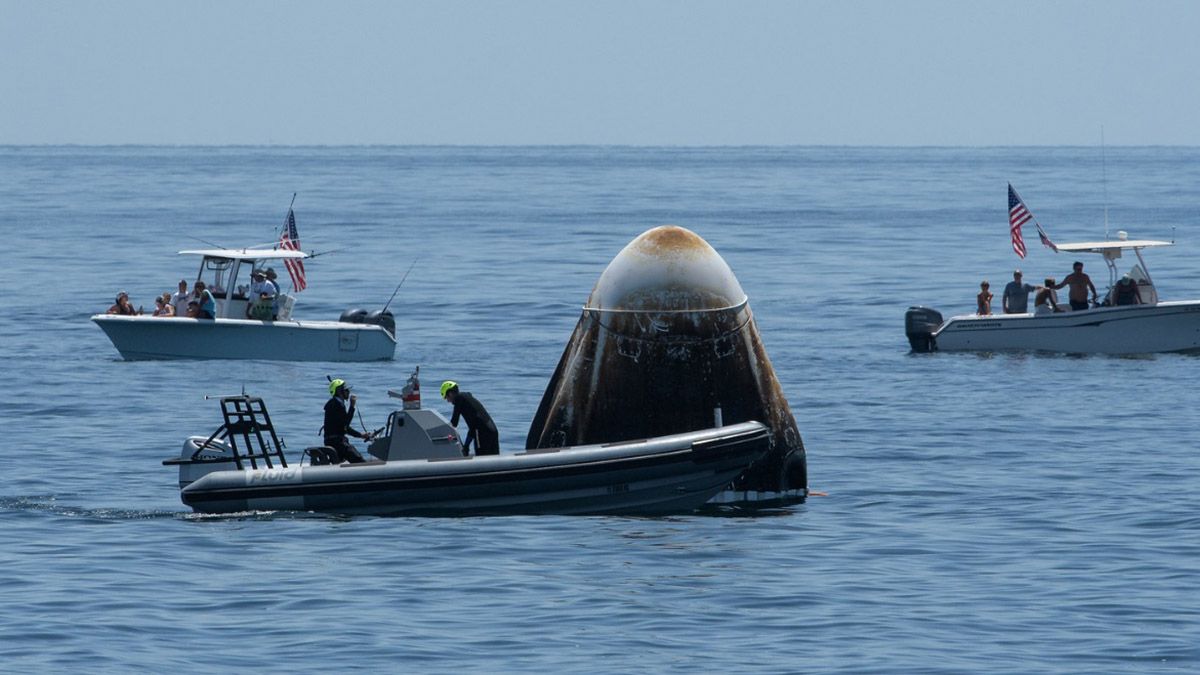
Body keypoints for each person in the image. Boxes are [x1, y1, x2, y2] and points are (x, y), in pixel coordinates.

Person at [441, 381, 499, 456]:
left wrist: (443, 432)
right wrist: (466, 446)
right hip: (492, 430)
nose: (448, 401)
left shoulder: (459, 399)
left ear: (450, 393)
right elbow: (473, 427)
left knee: (481, 459)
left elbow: (454, 423)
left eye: (446, 397)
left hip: (482, 433)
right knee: (493, 460)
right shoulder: (467, 398)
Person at [322, 379, 371, 463]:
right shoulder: (335, 405)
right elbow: (345, 425)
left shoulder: (337, 403)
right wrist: (352, 406)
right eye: (346, 390)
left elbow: (344, 427)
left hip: (334, 441)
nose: (348, 392)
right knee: (360, 461)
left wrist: (361, 435)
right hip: (337, 443)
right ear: (340, 391)